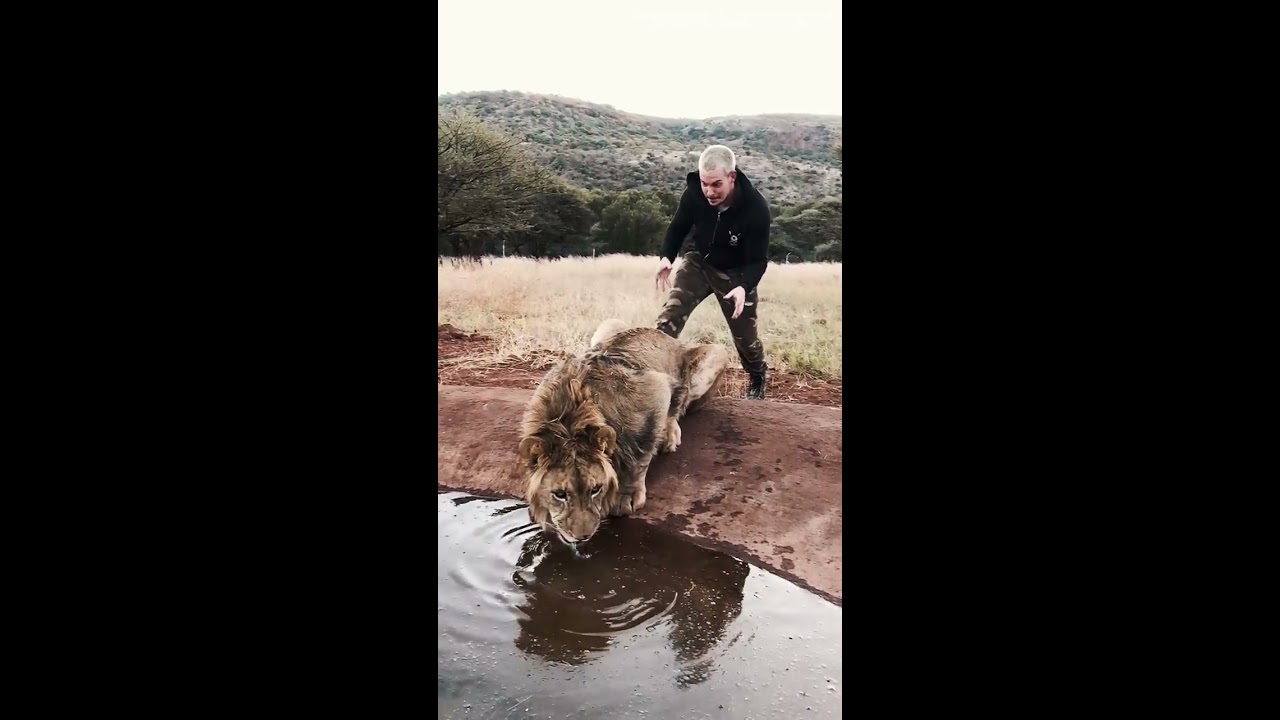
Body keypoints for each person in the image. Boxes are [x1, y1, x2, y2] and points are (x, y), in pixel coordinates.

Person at [654, 145, 771, 399]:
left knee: (746, 339)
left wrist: (743, 286)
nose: (709, 191)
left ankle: (758, 377)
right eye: (705, 183)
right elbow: (677, 228)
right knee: (668, 319)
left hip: (735, 274)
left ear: (732, 177)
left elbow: (758, 261)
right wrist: (667, 257)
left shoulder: (756, 210)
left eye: (716, 184)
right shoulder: (694, 193)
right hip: (698, 263)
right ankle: (653, 377)